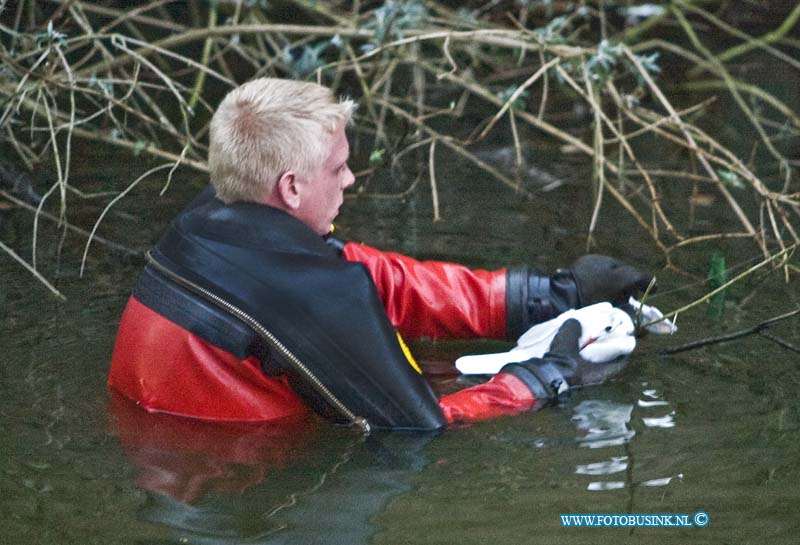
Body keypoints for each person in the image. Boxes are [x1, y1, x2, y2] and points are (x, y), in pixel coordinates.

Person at [109, 78, 652, 432]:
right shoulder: (311, 295)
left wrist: (535, 298)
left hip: (151, 438)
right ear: (292, 188)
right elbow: (421, 426)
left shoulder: (208, 219)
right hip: (239, 471)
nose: (351, 178)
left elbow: (370, 277)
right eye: (338, 167)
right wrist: (554, 374)